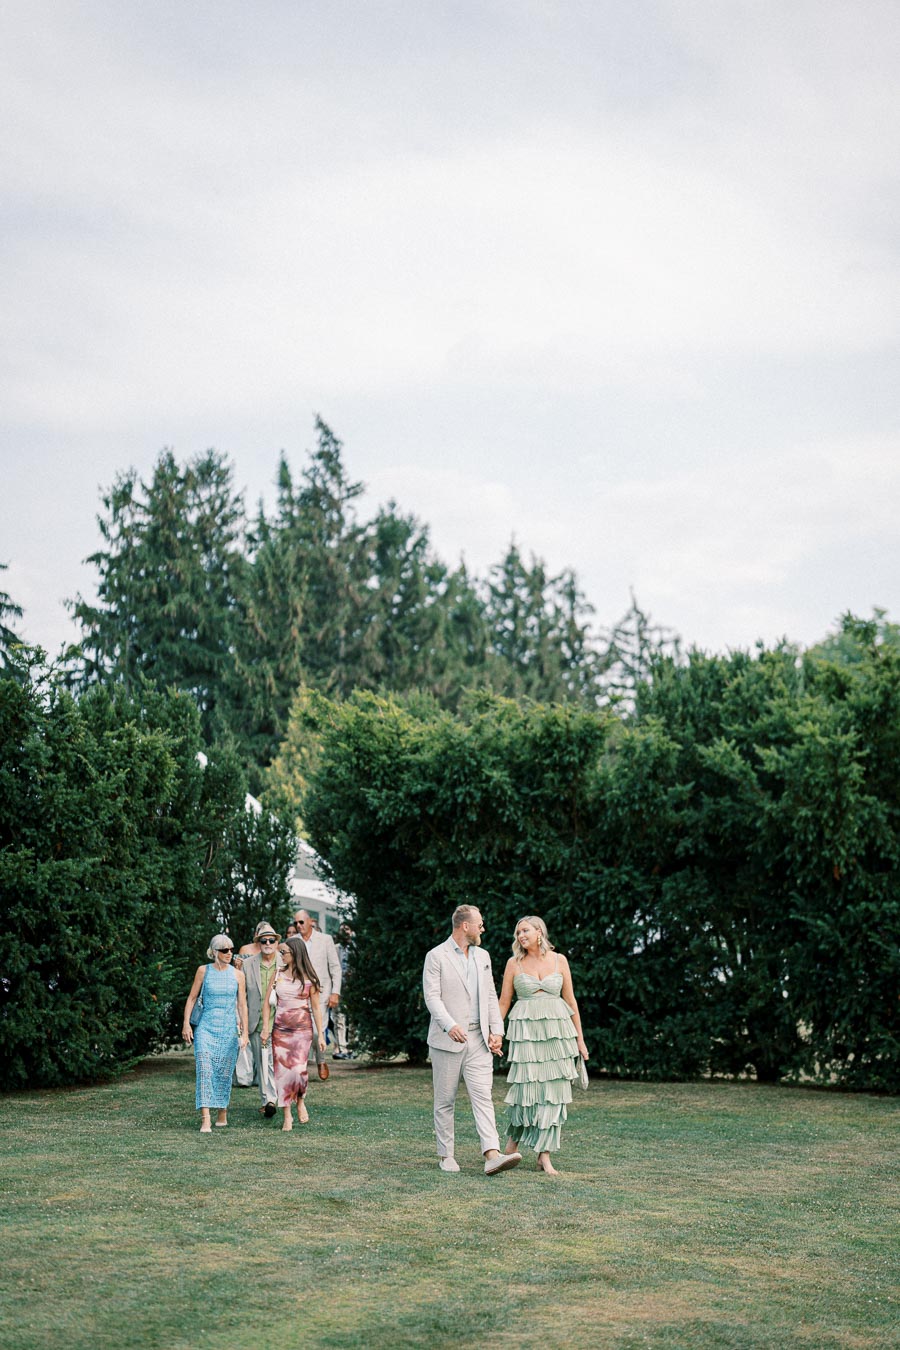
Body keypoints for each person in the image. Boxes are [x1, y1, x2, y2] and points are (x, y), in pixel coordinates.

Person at [422, 904, 522, 1176]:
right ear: (464, 926)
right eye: (479, 923)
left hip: (479, 1038)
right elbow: (432, 997)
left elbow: (490, 995)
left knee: (483, 1096)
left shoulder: (483, 956)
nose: (483, 928)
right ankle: (446, 1155)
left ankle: (491, 1154)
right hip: (447, 1039)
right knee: (445, 1100)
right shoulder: (436, 956)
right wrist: (449, 1025)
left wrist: (497, 1031)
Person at [497, 916, 589, 1175]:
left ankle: (544, 1155)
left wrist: (580, 1039)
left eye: (524, 930)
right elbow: (504, 1002)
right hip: (526, 1034)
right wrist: (495, 1032)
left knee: (553, 1094)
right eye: (517, 932)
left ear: (539, 932)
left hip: (558, 1035)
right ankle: (510, 1148)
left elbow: (571, 1001)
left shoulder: (560, 961)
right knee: (525, 1091)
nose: (519, 936)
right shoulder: (513, 964)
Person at [183, 934, 249, 1133]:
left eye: (231, 949)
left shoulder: (238, 975)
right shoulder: (203, 971)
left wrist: (244, 1033)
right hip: (205, 1028)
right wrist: (186, 1024)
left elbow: (242, 1005)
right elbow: (192, 998)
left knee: (224, 1072)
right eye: (224, 950)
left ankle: (222, 1111)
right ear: (214, 952)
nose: (229, 953)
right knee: (204, 1069)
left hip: (228, 1029)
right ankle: (205, 1118)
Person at [261, 936, 325, 1131]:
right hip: (280, 1030)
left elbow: (316, 1008)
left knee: (298, 1070)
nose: (281, 955)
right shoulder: (278, 974)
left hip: (302, 1030)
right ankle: (287, 1114)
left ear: (295, 953)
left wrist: (320, 1035)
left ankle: (300, 1100)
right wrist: (265, 1027)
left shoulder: (309, 979)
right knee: (282, 1074)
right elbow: (266, 1003)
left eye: (284, 952)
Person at [293, 909, 342, 1078]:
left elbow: (335, 967)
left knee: (316, 1031)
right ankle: (301, 1066)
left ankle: (321, 1060)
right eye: (296, 923)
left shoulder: (325, 940)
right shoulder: (292, 941)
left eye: (301, 922)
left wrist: (335, 992)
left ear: (310, 922)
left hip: (321, 993)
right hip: (299, 994)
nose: (298, 926)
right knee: (301, 1032)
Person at [240, 922, 282, 1118]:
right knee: (263, 1061)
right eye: (264, 940)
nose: (268, 943)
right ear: (258, 942)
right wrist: (243, 1023)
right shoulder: (248, 964)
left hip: (282, 1020)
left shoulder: (285, 963)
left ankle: (274, 1099)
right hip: (257, 1021)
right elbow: (242, 998)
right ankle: (268, 1100)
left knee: (276, 1062)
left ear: (276, 942)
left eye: (271, 940)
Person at [332, 923, 355, 1060]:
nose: (344, 932)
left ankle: (352, 1047)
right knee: (339, 1019)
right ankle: (341, 1048)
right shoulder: (335, 949)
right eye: (342, 929)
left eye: (347, 929)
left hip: (353, 988)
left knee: (353, 1020)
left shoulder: (356, 949)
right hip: (339, 988)